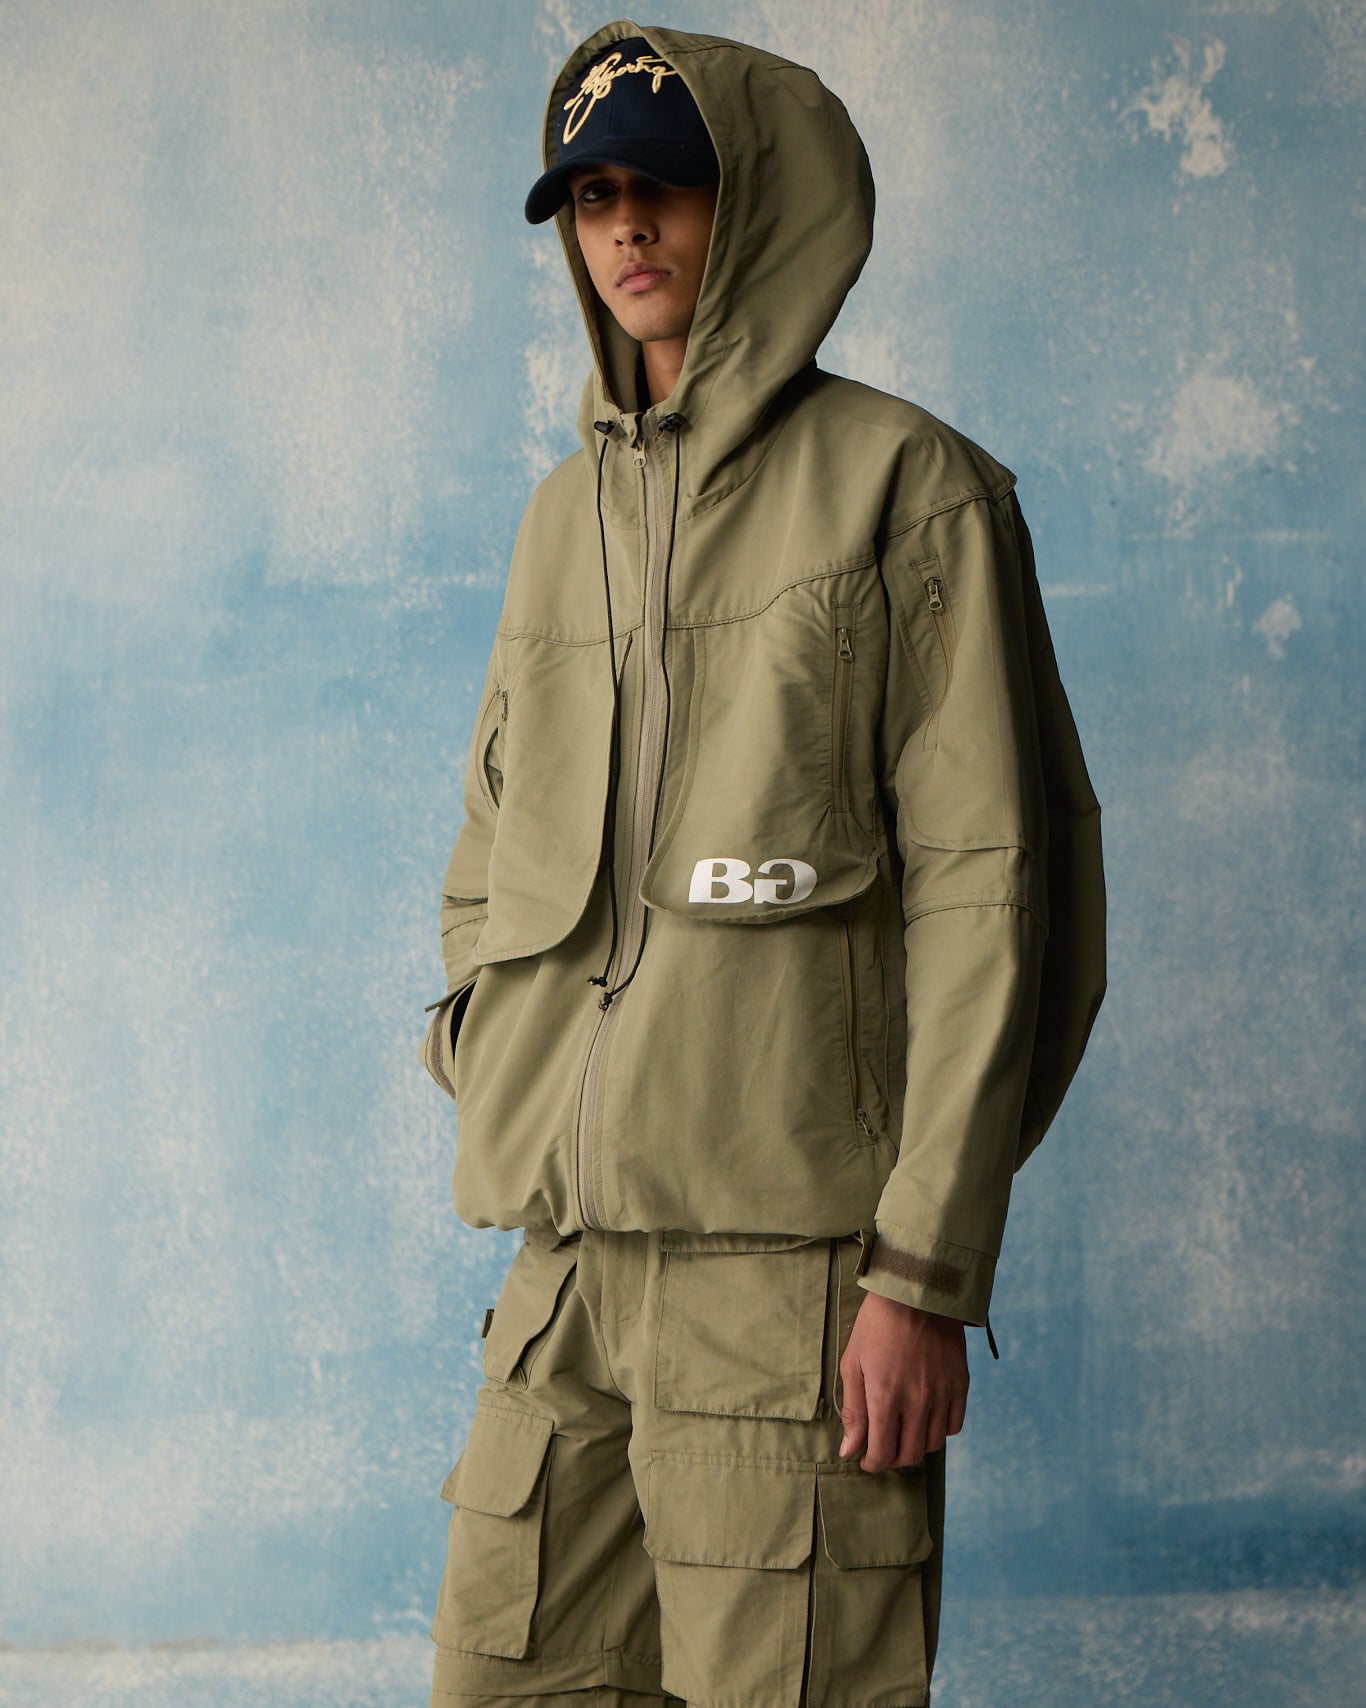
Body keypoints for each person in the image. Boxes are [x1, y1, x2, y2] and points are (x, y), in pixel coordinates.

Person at [420, 20, 1105, 1708]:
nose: (627, 228)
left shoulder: (907, 490)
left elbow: (996, 898)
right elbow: (491, 848)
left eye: (663, 188)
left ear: (758, 206)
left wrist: (920, 1276)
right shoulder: (557, 522)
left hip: (790, 1287)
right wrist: (482, 1047)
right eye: (592, 200)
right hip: (565, 1271)